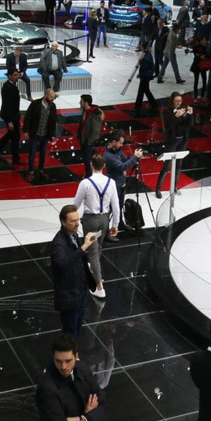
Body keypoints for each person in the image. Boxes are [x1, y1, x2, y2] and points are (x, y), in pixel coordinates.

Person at [72, 155, 121, 299]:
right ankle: (94, 268)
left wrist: (68, 217)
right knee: (97, 247)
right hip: (104, 220)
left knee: (93, 252)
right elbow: (116, 207)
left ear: (91, 164)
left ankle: (99, 287)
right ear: (104, 166)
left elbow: (76, 204)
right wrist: (115, 225)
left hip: (90, 221)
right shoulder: (111, 182)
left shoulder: (85, 183)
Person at [50, 205, 96, 337]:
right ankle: (68, 350)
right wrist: (84, 247)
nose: (77, 224)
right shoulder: (58, 244)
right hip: (69, 296)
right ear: (63, 223)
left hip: (81, 291)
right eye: (73, 221)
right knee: (69, 331)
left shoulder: (74, 235)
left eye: (78, 220)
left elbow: (77, 258)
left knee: (77, 326)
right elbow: (63, 264)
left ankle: (73, 348)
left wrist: (85, 266)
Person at [157, 91, 191, 193]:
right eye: (177, 101)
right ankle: (158, 189)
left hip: (182, 140)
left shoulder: (183, 109)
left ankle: (175, 187)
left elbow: (190, 125)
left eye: (180, 100)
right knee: (167, 164)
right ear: (172, 101)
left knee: (179, 164)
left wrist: (190, 115)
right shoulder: (167, 112)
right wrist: (175, 117)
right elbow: (168, 126)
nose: (179, 103)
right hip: (172, 140)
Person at [0, 70, 24, 165]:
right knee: (14, 137)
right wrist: (9, 121)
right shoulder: (7, 87)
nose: (17, 77)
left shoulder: (11, 85)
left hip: (13, 115)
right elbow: (7, 105)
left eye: (17, 75)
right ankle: (15, 158)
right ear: (10, 76)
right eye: (15, 75)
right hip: (10, 116)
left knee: (11, 135)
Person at [24, 86, 60, 177]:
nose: (52, 99)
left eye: (53, 97)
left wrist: (53, 134)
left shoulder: (52, 106)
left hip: (45, 134)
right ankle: (31, 172)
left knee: (43, 153)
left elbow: (53, 121)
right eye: (51, 97)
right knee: (32, 153)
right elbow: (27, 117)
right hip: (35, 133)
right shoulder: (35, 104)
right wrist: (25, 131)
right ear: (45, 95)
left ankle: (41, 170)